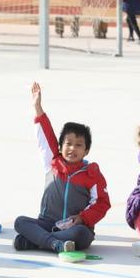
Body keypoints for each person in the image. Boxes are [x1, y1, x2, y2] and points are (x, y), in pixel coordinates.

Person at [13, 82, 111, 254]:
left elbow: (102, 203)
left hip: (73, 227)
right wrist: (38, 108)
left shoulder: (92, 174)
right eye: (68, 143)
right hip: (46, 223)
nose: (72, 148)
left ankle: (38, 241)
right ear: (60, 146)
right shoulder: (52, 162)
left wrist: (82, 218)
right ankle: (55, 244)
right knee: (20, 222)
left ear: (86, 150)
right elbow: (46, 136)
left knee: (82, 235)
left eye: (79, 145)